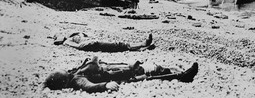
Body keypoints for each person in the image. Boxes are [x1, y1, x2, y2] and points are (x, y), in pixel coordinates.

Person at [43, 56, 199, 93]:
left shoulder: (75, 74)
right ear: (63, 81)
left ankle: (172, 72)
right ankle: (182, 76)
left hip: (113, 70)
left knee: (145, 68)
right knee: (147, 75)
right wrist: (105, 85)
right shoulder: (77, 80)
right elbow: (90, 87)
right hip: (117, 76)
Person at [53, 32, 154, 52]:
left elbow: (81, 36)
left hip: (93, 44)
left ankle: (142, 47)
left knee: (118, 46)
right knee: (118, 45)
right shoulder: (67, 42)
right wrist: (92, 43)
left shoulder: (69, 39)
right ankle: (143, 44)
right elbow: (79, 46)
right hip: (94, 44)